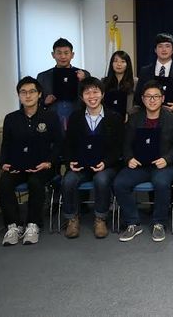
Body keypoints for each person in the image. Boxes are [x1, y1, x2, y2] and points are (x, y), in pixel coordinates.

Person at [114, 80, 173, 242]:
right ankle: (132, 222)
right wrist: (129, 158)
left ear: (162, 98)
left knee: (161, 183)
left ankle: (159, 223)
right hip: (139, 164)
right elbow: (126, 144)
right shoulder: (134, 119)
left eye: (156, 96)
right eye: (148, 96)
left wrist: (167, 159)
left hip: (164, 165)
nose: (152, 100)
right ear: (143, 99)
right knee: (120, 183)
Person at [0, 77, 62, 246]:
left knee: (35, 182)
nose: (28, 96)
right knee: (3, 183)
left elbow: (59, 144)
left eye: (32, 91)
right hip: (17, 167)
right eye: (23, 92)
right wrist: (3, 163)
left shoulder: (50, 117)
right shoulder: (11, 118)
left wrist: (49, 162)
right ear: (19, 95)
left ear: (39, 94)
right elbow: (6, 144)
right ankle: (14, 226)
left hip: (42, 166)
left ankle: (33, 224)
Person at [61, 77, 124, 239]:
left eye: (95, 92)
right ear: (81, 97)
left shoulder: (114, 117)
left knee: (101, 180)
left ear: (102, 94)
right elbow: (68, 144)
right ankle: (72, 219)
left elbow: (119, 148)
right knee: (68, 180)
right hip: (81, 165)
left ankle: (100, 218)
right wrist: (70, 162)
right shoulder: (75, 117)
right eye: (87, 93)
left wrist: (106, 163)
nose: (92, 96)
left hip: (106, 165)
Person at [36, 37, 90, 130]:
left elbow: (92, 97)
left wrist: (84, 81)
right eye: (59, 53)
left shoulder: (84, 74)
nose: (63, 56)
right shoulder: (43, 77)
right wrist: (45, 102)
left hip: (78, 121)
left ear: (72, 55)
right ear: (53, 55)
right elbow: (35, 101)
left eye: (66, 53)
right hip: (52, 122)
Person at [134, 33, 173, 116]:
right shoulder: (145, 71)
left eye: (167, 46)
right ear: (155, 50)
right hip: (148, 116)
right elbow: (138, 97)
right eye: (160, 46)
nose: (164, 49)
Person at [102, 50, 138, 121]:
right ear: (111, 63)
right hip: (107, 119)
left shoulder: (135, 82)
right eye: (115, 61)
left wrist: (129, 113)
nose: (119, 64)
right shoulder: (104, 81)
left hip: (128, 120)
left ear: (127, 64)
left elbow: (138, 104)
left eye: (123, 61)